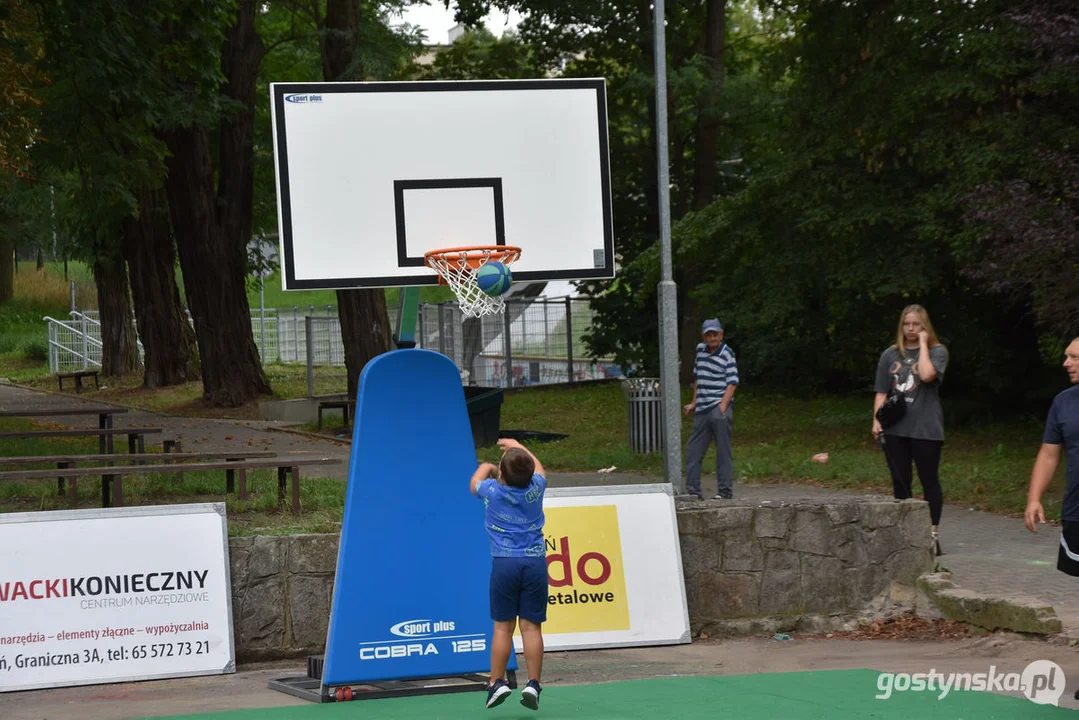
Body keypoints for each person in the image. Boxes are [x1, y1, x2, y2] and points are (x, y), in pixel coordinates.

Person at [470, 437, 548, 711]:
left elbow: (473, 483)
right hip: (535, 564)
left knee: (504, 627)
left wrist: (488, 466)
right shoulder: (536, 488)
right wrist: (520, 446)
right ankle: (534, 684)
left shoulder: (491, 490)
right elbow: (538, 468)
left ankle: (496, 682)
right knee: (531, 626)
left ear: (500, 474)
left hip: (505, 564)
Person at [872, 305, 949, 555]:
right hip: (895, 427)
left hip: (926, 427)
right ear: (901, 326)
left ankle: (931, 534)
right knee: (900, 481)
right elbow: (882, 390)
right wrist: (876, 420)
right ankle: (905, 534)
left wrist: (924, 344)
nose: (911, 329)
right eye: (907, 324)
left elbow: (927, 375)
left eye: (917, 324)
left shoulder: (938, 352)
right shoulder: (890, 354)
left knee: (929, 481)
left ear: (925, 326)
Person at [1023, 335, 1079, 570]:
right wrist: (1034, 499)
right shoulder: (1063, 403)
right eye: (1067, 356)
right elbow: (1049, 454)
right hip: (1076, 510)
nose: (1066, 363)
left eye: (1074, 357)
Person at [683, 317, 739, 500]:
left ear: (721, 334)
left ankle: (724, 492)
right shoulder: (700, 351)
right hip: (702, 409)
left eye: (715, 334)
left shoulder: (727, 353)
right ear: (704, 337)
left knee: (723, 450)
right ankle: (693, 492)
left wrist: (722, 406)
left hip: (718, 408)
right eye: (709, 334)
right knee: (692, 450)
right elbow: (697, 377)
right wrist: (694, 402)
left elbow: (732, 382)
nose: (712, 337)